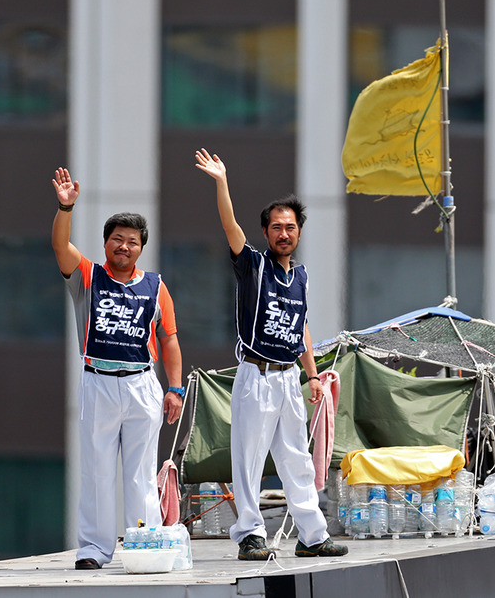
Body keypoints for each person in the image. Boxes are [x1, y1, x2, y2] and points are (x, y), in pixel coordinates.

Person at [195, 148, 348, 560]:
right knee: (248, 459)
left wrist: (313, 375)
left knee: (297, 459)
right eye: (277, 227)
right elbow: (230, 226)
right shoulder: (254, 266)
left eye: (291, 227)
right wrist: (222, 181)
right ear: (265, 232)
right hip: (256, 375)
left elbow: (302, 327)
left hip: (288, 379)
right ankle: (250, 534)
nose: (284, 233)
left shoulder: (301, 276)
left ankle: (313, 535)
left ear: (299, 232)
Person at [51, 167, 185, 570]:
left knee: (141, 473)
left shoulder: (156, 286)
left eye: (132, 241)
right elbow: (60, 246)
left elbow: (170, 338)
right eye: (117, 239)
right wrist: (65, 206)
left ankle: (143, 545)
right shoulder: (90, 276)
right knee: (96, 469)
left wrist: (174, 388)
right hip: (99, 382)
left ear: (142, 247)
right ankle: (94, 549)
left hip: (143, 383)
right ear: (106, 243)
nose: (124, 247)